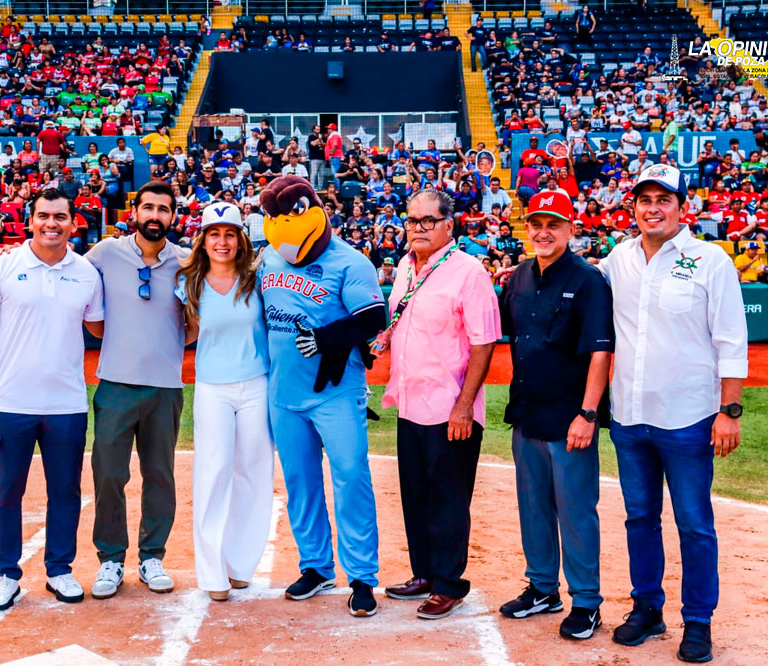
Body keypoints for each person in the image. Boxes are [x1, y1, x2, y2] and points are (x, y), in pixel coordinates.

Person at [598, 164, 748, 663]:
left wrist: (729, 411)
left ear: (683, 207)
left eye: (664, 198)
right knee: (639, 518)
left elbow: (730, 337)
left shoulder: (710, 260)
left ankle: (699, 620)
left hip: (688, 418)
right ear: (633, 206)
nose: (653, 207)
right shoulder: (618, 259)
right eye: (645, 199)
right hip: (630, 416)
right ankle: (647, 608)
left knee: (693, 522)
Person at [0, 188, 105, 612]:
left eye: (60, 217)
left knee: (65, 491)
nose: (52, 223)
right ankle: (6, 574)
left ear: (73, 223)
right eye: (44, 215)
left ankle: (59, 569)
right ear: (31, 220)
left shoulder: (86, 273)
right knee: (5, 491)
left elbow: (100, 329)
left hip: (67, 403)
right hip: (11, 402)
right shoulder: (3, 266)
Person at [257, 176, 387, 617]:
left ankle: (362, 576)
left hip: (336, 390)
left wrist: (328, 337)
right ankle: (316, 564)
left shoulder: (351, 262)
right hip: (284, 391)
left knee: (351, 478)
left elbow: (373, 316)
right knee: (300, 483)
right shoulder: (267, 256)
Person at [374, 189, 499, 620]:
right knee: (416, 494)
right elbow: (404, 318)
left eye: (428, 220)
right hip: (410, 400)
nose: (419, 228)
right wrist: (386, 336)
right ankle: (424, 573)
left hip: (451, 406)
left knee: (448, 499)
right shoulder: (408, 266)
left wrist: (465, 406)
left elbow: (484, 345)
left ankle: (448, 584)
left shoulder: (469, 272)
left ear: (450, 224)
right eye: (412, 220)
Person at [497, 190, 613, 640]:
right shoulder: (519, 276)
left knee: (576, 511)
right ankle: (543, 587)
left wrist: (588, 414)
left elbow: (600, 354)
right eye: (536, 224)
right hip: (527, 411)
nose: (543, 232)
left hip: (570, 418)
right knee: (533, 507)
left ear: (571, 229)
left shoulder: (588, 280)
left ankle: (586, 601)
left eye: (554, 224)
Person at [83, 182, 188, 600]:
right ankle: (111, 558)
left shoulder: (184, 260)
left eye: (163, 209)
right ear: (135, 210)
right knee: (109, 473)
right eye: (148, 207)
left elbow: (195, 318)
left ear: (173, 216)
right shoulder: (106, 253)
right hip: (116, 384)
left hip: (165, 387)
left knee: (159, 475)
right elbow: (84, 301)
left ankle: (151, 555)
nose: (155, 215)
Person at [174, 202, 274, 602]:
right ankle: (212, 572)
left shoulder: (258, 278)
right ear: (203, 239)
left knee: (254, 473)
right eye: (214, 233)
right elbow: (188, 333)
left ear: (240, 239)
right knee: (212, 473)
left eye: (230, 233)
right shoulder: (189, 282)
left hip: (256, 384)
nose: (222, 241)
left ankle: (240, 565)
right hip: (212, 387)